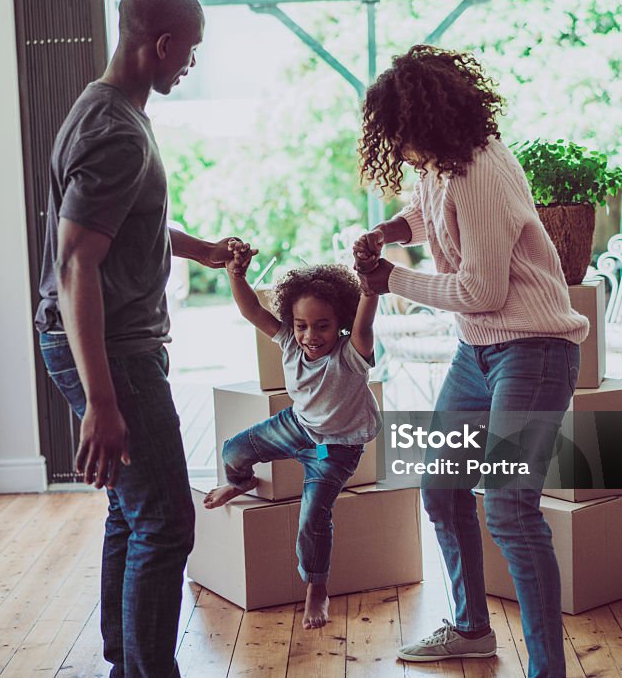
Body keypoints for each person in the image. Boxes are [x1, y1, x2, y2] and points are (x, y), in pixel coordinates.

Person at [353, 45, 589, 678]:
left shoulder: (480, 170)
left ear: (426, 122)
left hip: (532, 351)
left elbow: (482, 292)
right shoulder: (441, 164)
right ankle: (471, 631)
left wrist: (390, 281)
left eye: (399, 132)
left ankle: (548, 671)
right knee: (443, 490)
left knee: (511, 506)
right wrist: (389, 235)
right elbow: (429, 216)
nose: (396, 146)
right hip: (477, 352)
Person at [33, 0, 236, 675]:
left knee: (132, 511)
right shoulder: (117, 130)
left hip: (109, 344)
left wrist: (203, 251)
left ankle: (126, 662)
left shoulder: (105, 110)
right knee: (168, 522)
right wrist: (102, 400)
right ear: (164, 43)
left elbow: (118, 227)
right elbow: (76, 262)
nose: (193, 62)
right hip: (112, 352)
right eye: (193, 48)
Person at [203, 242, 381, 631]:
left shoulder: (351, 355)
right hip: (296, 426)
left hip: (336, 448)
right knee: (233, 450)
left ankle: (317, 587)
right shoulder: (287, 341)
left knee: (313, 517)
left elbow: (365, 325)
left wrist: (368, 288)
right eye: (302, 325)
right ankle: (242, 481)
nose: (310, 336)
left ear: (341, 324)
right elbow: (251, 310)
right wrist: (236, 275)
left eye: (322, 326)